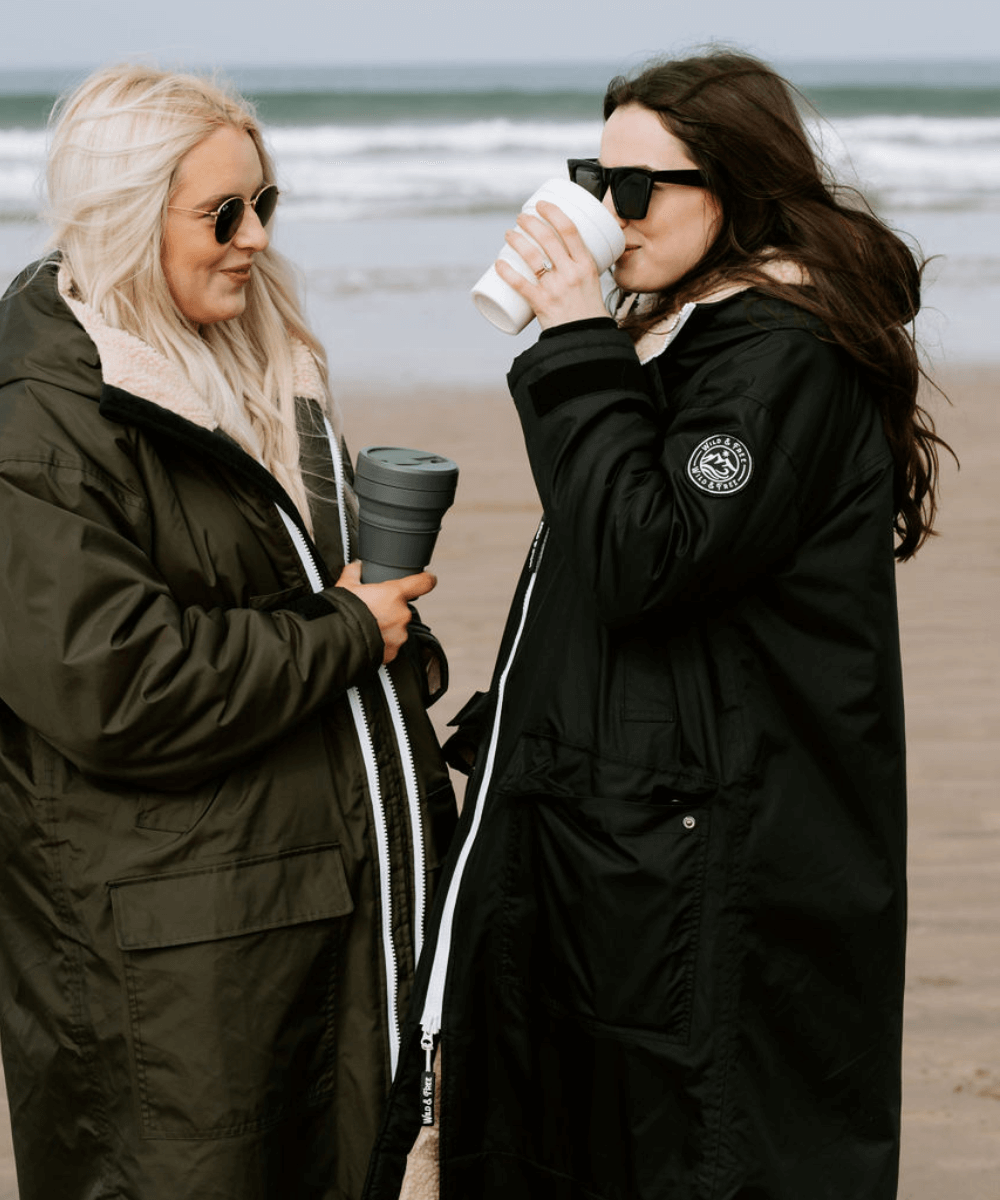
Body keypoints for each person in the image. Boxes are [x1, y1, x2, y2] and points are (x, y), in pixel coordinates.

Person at [363, 51, 949, 1200]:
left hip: (703, 863)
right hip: (643, 846)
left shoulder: (780, 352)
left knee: (704, 1150)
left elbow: (648, 553)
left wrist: (576, 334)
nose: (606, 210)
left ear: (735, 186)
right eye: (593, 176)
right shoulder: (687, 335)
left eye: (638, 188)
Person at [0, 64, 456, 1200]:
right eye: (222, 213)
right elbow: (116, 687)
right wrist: (339, 634)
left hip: (291, 931)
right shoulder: (44, 440)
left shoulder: (244, 388)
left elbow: (273, 614)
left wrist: (386, 641)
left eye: (267, 205)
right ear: (126, 219)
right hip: (179, 977)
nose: (255, 239)